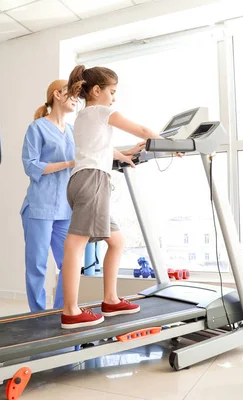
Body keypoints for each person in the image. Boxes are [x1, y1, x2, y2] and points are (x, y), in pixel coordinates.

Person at [59, 65, 163, 329]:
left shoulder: (84, 116)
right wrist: (166, 143)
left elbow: (98, 147)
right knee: (76, 244)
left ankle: (111, 299)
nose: (114, 98)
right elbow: (140, 128)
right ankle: (70, 311)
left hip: (83, 180)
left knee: (116, 241)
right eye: (112, 92)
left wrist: (125, 154)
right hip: (92, 180)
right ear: (97, 90)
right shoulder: (103, 111)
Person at [20, 79, 77, 312]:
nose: (75, 99)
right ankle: (38, 314)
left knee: (69, 262)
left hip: (65, 207)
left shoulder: (72, 131)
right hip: (39, 206)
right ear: (57, 94)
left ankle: (63, 310)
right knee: (37, 265)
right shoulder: (37, 128)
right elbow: (31, 166)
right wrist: (68, 163)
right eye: (71, 94)